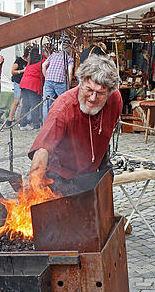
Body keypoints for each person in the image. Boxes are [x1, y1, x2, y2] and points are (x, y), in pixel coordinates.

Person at [27, 54, 122, 193]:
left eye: (100, 93)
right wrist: (34, 184)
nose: (93, 98)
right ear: (80, 83)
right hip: (60, 176)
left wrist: (104, 167)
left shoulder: (115, 100)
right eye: (89, 89)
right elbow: (43, 149)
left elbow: (103, 134)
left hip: (89, 173)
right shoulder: (63, 108)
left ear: (109, 92)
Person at [42, 43, 74, 120]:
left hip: (49, 80)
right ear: (69, 51)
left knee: (47, 103)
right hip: (60, 81)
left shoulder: (53, 55)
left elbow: (43, 65)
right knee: (64, 102)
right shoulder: (69, 59)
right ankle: (62, 121)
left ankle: (45, 123)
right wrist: (68, 85)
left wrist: (46, 77)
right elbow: (70, 73)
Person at [19, 46, 44, 130]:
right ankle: (36, 125)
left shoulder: (30, 62)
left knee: (25, 105)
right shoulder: (42, 62)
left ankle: (22, 124)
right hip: (32, 85)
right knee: (35, 105)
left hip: (24, 83)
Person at [6, 47, 29, 127]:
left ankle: (20, 120)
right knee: (16, 101)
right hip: (18, 82)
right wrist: (22, 71)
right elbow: (13, 71)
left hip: (26, 83)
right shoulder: (19, 60)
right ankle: (10, 120)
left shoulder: (31, 61)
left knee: (24, 102)